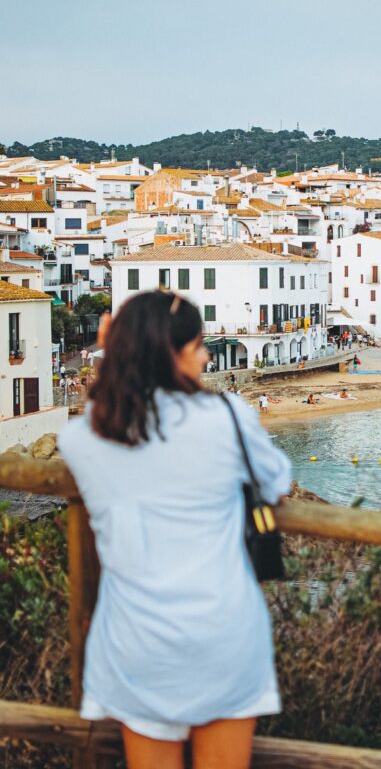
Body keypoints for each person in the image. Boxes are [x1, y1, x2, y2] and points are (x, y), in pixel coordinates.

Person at [58, 291, 291, 769]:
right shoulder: (228, 417)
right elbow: (278, 482)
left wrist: (109, 358)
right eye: (199, 345)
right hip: (223, 637)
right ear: (174, 352)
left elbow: (103, 410)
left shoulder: (82, 438)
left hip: (136, 643)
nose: (207, 356)